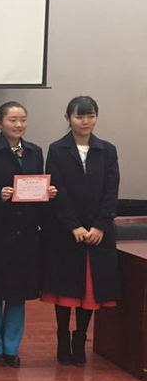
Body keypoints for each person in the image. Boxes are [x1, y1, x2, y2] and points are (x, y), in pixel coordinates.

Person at [0, 102, 57, 368]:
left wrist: (47, 194)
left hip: (26, 234)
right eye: (12, 120)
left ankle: (11, 347)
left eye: (22, 119)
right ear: (0, 122)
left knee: (18, 294)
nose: (18, 125)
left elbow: (37, 189)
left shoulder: (35, 152)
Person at [41, 96, 120, 366]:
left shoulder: (107, 150)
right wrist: (72, 225)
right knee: (65, 288)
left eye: (90, 116)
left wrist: (99, 225)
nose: (85, 121)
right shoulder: (57, 149)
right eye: (79, 116)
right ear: (68, 118)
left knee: (90, 289)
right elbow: (57, 190)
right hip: (66, 231)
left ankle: (80, 337)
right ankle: (63, 338)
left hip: (98, 232)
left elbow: (111, 191)